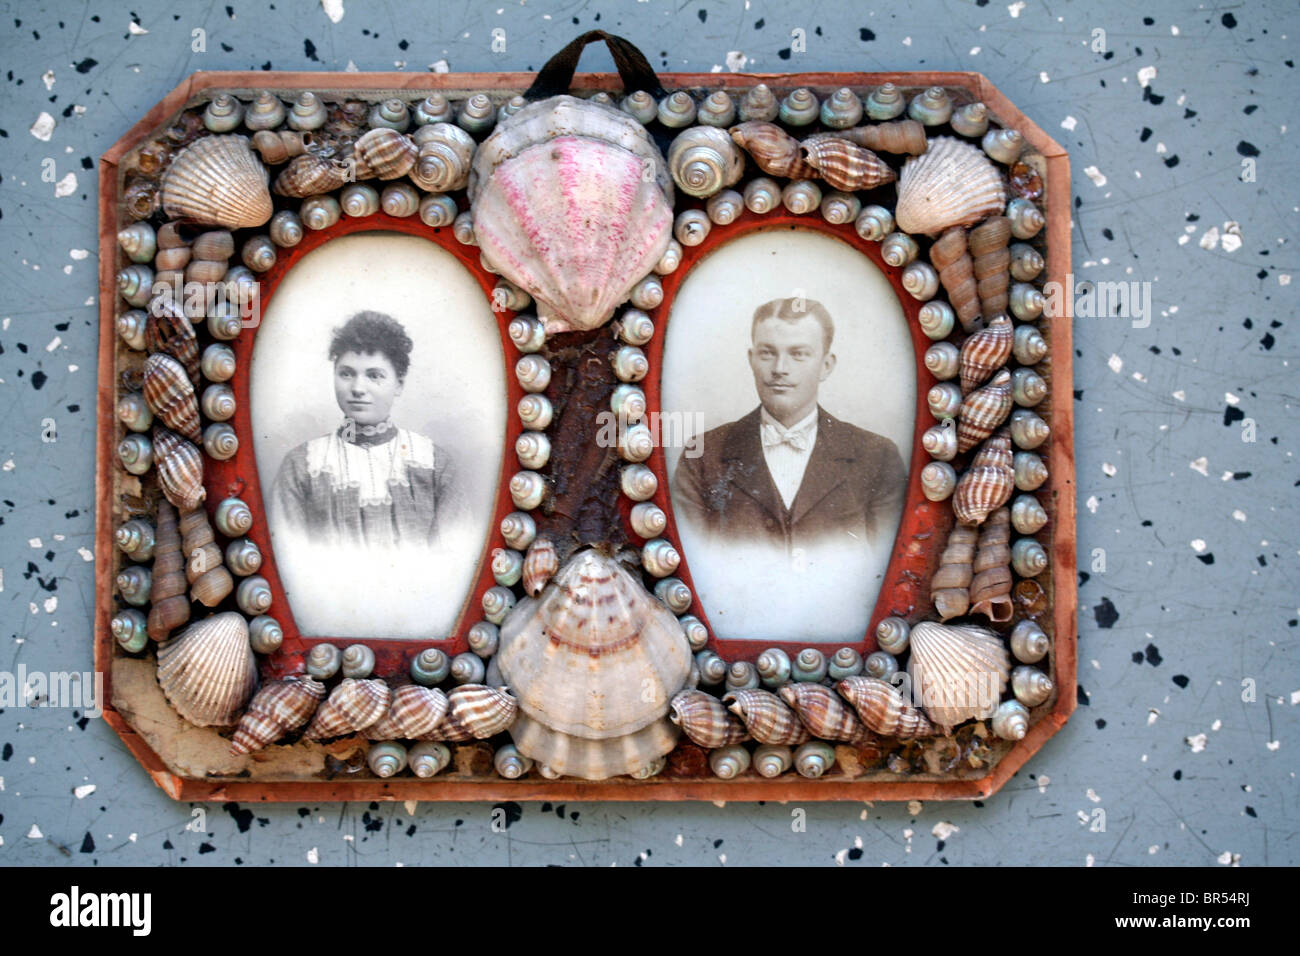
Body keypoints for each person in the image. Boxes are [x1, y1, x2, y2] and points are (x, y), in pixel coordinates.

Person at [671, 296, 908, 557]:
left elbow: (890, 568)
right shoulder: (703, 455)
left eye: (798, 354)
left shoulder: (878, 457)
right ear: (751, 360)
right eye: (767, 353)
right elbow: (689, 564)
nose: (779, 369)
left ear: (826, 366)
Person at [270, 311, 458, 550]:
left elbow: (452, 559)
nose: (358, 388)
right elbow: (288, 557)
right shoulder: (301, 466)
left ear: (399, 384)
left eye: (374, 375)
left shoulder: (433, 464)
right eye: (346, 374)